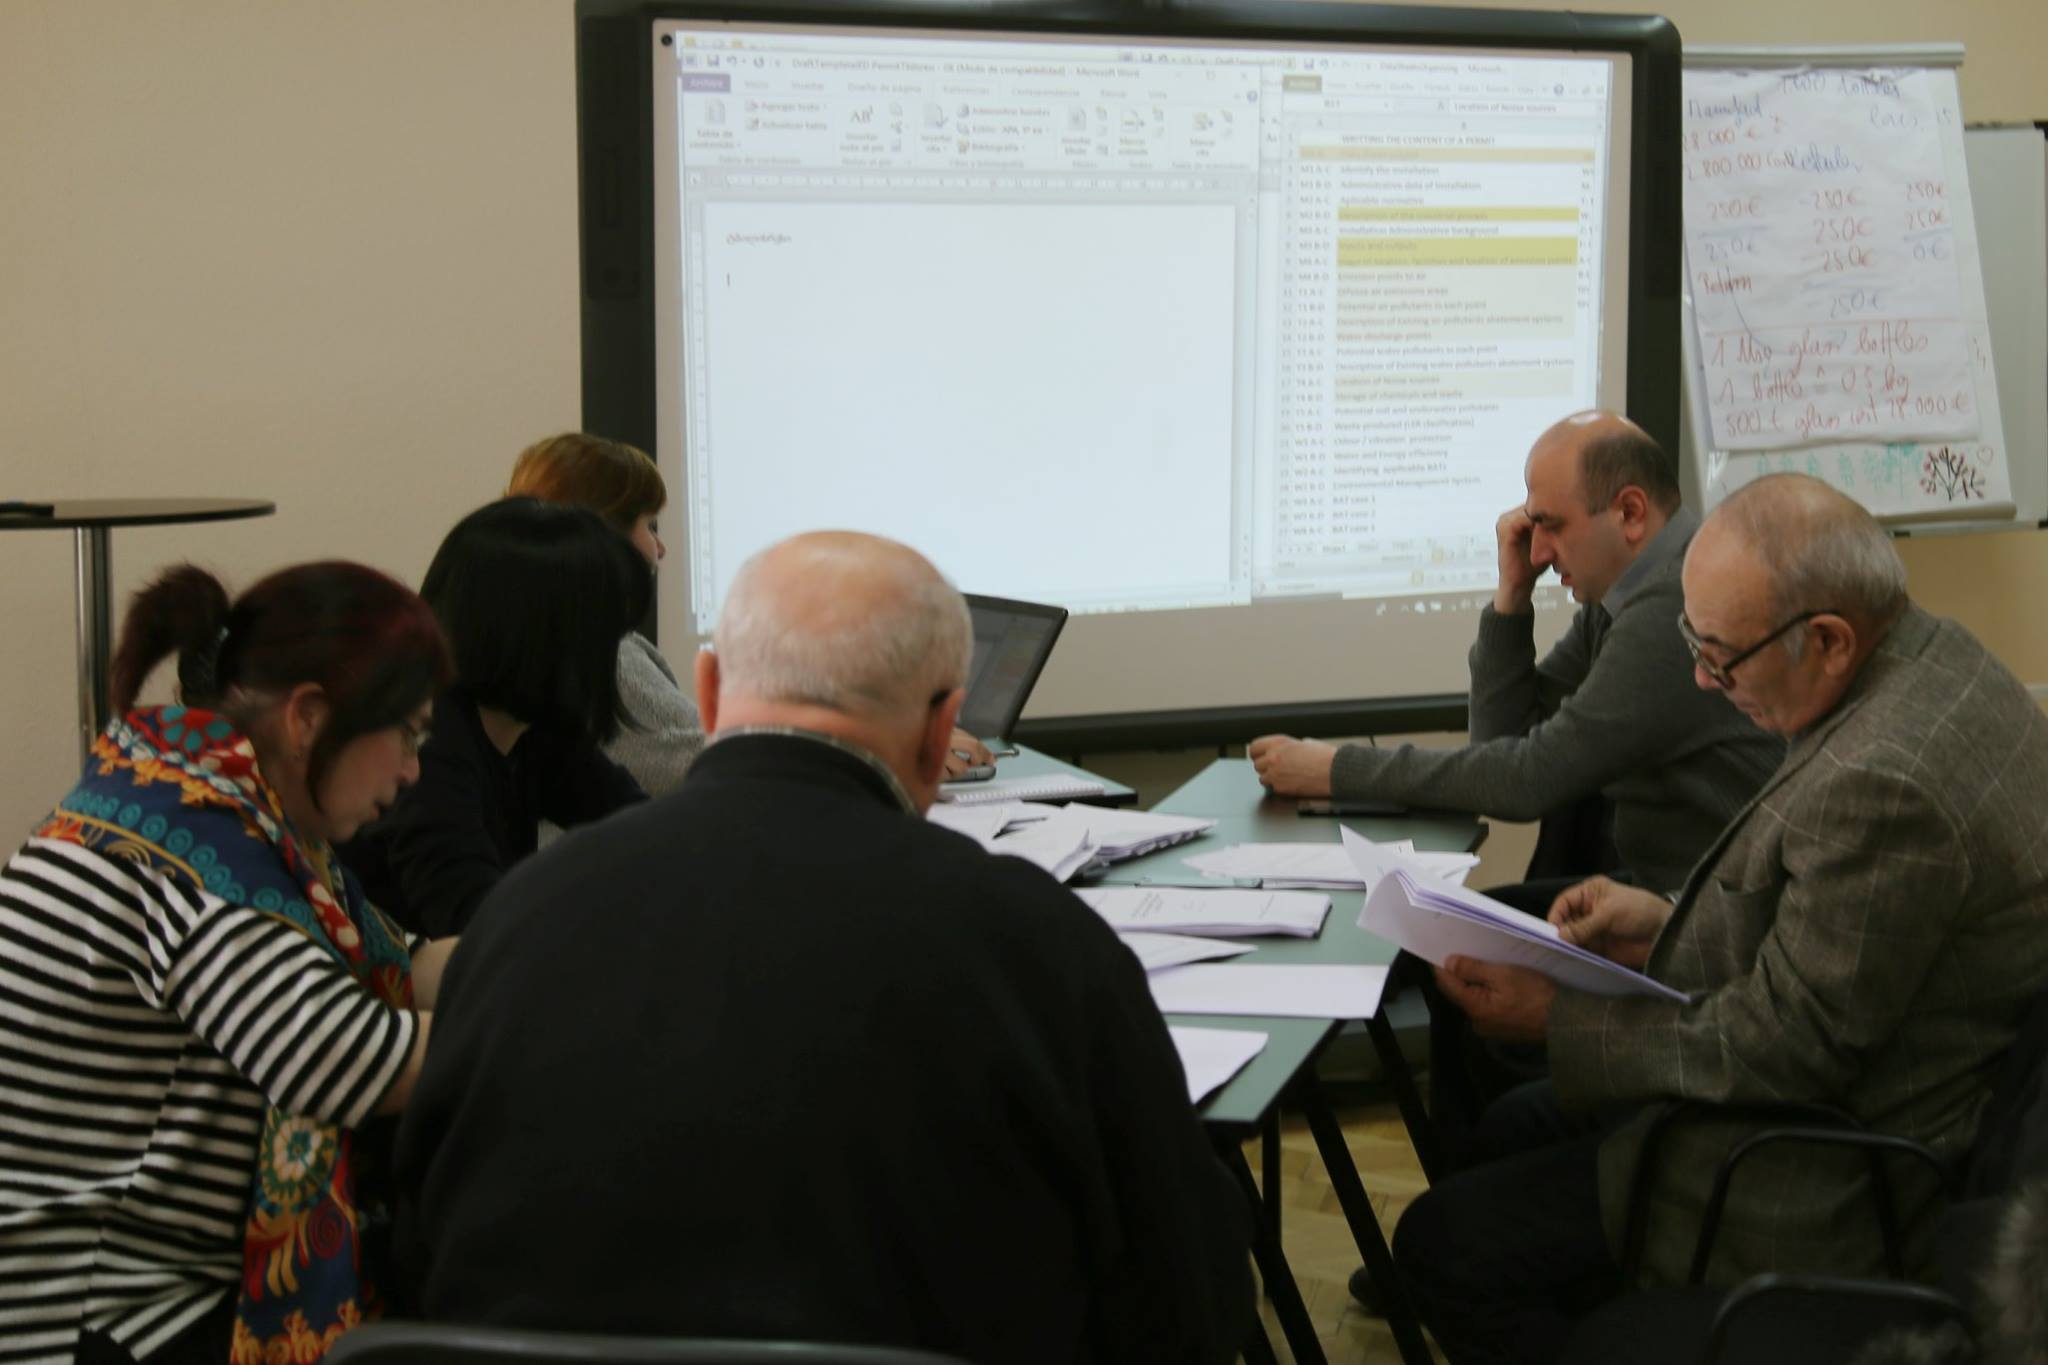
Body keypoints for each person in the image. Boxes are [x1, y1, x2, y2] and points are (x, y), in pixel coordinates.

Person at [393, 531, 1254, 1363]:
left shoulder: (518, 917)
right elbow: (1190, 1301)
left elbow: (422, 1244)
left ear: (707, 694)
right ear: (941, 731)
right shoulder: (1033, 938)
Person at [1392, 474, 2048, 1365]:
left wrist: (1560, 1018)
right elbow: (1839, 933)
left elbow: (1790, 1045)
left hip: (1820, 1169)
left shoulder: (1886, 781)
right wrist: (1663, 923)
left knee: (1441, 1245)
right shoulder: (1933, 657)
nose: (1703, 677)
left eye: (1722, 656)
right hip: (1845, 1092)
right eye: (1693, 643)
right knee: (1510, 1129)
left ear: (1828, 638)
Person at [0, 562, 455, 1365]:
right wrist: (566, 1017)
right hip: (94, 1310)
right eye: (407, 735)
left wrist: (559, 945)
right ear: (308, 715)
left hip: (146, 1284)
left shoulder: (216, 808)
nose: (414, 770)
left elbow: (404, 965)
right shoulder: (190, 853)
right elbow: (342, 1056)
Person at [1251, 411, 1784, 895]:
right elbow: (1501, 743)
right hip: (1663, 893)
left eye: (1553, 525)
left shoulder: (1677, 606)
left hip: (1703, 917)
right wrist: (1512, 596)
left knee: (1443, 948)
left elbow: (1528, 779)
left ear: (1630, 512)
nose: (1539, 552)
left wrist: (1336, 770)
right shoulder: (1624, 596)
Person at [341, 498, 649, 938]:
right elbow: (477, 922)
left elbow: (645, 828)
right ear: (546, 636)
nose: (612, 654)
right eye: (604, 635)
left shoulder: (535, 731)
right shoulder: (429, 747)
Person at [505, 432, 707, 793]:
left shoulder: (527, 639)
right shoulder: (602, 652)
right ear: (605, 534)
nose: (660, 549)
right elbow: (700, 765)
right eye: (650, 525)